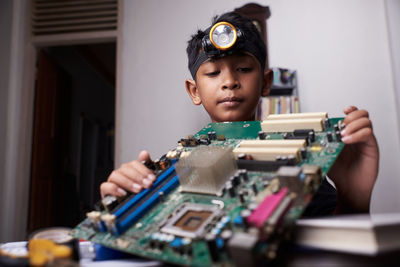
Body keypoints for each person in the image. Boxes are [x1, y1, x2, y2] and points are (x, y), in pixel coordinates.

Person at [100, 12, 379, 215]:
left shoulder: (298, 160)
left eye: (244, 69)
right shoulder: (168, 173)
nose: (229, 81)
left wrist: (353, 199)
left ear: (266, 82)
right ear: (194, 90)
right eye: (212, 72)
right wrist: (123, 206)